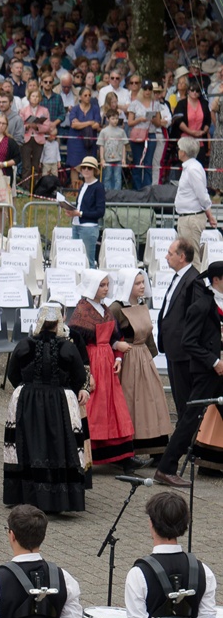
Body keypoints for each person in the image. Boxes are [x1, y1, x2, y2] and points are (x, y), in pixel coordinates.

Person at [3, 303, 89, 513]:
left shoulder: (24, 345)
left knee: (28, 444)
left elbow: (12, 373)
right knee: (58, 444)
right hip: (59, 402)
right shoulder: (67, 347)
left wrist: (28, 389)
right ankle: (56, 498)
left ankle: (26, 494)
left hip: (28, 401)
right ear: (59, 321)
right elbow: (79, 376)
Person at [155, 262, 223, 487]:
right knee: (190, 420)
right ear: (217, 280)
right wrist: (214, 361)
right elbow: (189, 342)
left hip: (220, 371)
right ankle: (165, 468)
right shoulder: (201, 306)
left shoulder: (219, 303)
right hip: (207, 371)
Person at [69, 270, 135, 467]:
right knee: (93, 409)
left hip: (107, 364)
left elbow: (115, 337)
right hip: (93, 363)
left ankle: (122, 456)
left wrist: (118, 356)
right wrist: (86, 373)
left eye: (107, 285)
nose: (106, 288)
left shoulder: (105, 309)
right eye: (101, 285)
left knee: (114, 408)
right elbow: (76, 345)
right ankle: (88, 455)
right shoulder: (81, 312)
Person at [110, 271, 172, 460]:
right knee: (131, 402)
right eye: (137, 283)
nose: (142, 286)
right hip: (127, 360)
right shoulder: (116, 308)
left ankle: (156, 448)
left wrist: (150, 357)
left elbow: (148, 335)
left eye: (143, 282)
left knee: (153, 402)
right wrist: (117, 350)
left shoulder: (142, 304)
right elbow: (109, 336)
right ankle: (128, 450)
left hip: (144, 358)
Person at [158, 239, 200, 422]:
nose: (166, 257)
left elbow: (195, 319)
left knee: (185, 401)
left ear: (182, 257)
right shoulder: (179, 277)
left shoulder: (193, 280)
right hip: (173, 349)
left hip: (183, 352)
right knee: (179, 398)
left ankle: (187, 435)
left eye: (170, 253)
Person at [173, 138, 218, 270]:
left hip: (191, 218)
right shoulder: (190, 168)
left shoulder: (193, 169)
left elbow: (202, 195)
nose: (178, 151)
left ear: (184, 152)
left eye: (179, 148)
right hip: (187, 217)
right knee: (186, 258)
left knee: (192, 259)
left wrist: (210, 215)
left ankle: (196, 283)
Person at [66, 156, 105, 268]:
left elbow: (100, 212)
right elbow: (81, 205)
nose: (86, 170)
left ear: (94, 171)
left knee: (88, 261)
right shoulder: (82, 185)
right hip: (76, 225)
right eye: (84, 167)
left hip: (89, 228)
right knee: (76, 260)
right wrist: (71, 210)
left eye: (89, 168)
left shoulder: (99, 187)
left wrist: (80, 213)